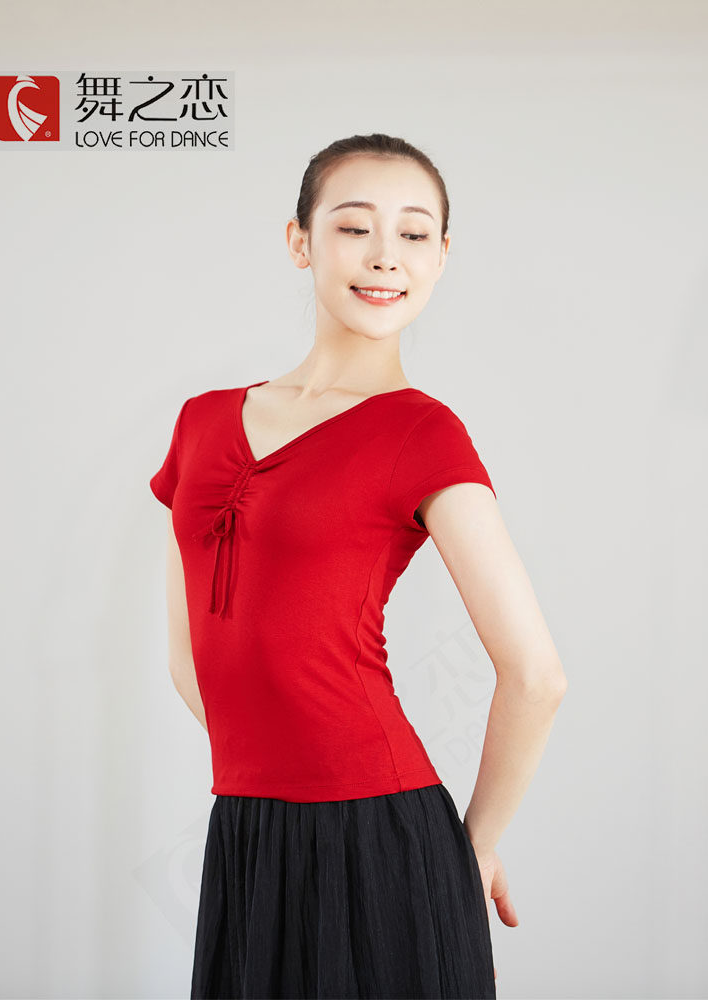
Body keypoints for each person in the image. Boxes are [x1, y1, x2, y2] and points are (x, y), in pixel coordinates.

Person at [149, 133, 568, 1000]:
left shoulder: (422, 432)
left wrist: (472, 848)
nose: (385, 256)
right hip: (248, 832)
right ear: (300, 241)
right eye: (353, 227)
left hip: (380, 836)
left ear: (441, 256)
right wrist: (271, 783)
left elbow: (536, 675)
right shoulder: (200, 423)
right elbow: (192, 658)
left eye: (414, 234)